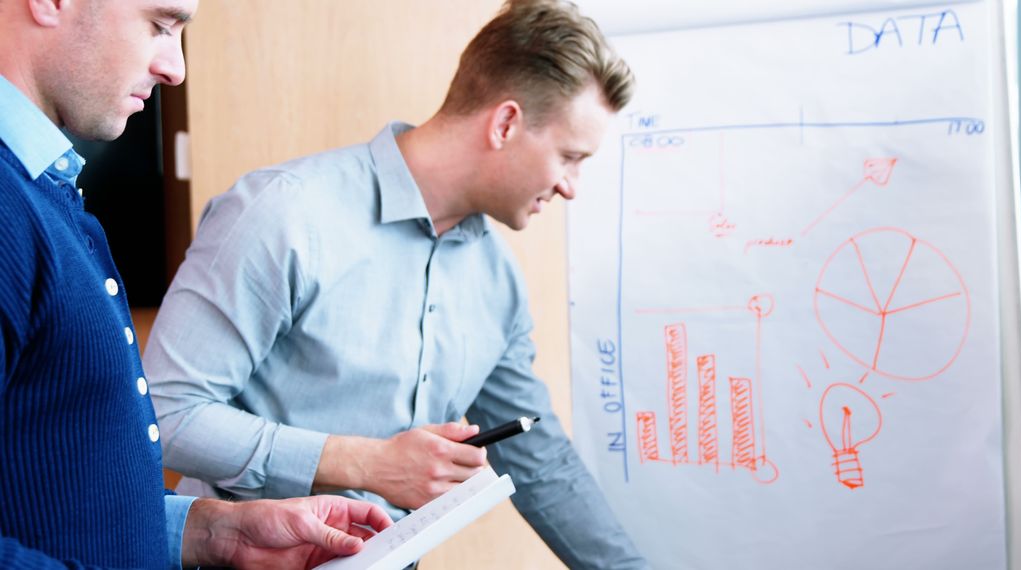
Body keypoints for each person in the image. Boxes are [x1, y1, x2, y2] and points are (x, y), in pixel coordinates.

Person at [144, 0, 646, 567]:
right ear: (505, 123)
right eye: (570, 157)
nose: (571, 186)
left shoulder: (499, 283)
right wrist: (363, 463)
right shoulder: (283, 213)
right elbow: (165, 410)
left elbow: (540, 463)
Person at [0, 0, 392, 568]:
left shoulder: (42, 193)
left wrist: (215, 532)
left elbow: (53, 495)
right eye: (159, 26)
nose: (175, 68)